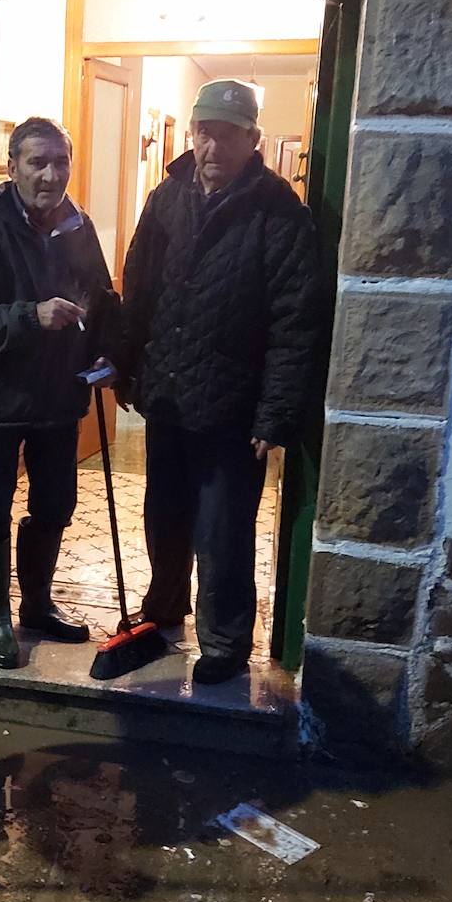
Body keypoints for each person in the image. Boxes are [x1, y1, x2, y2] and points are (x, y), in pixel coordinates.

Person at [119, 80, 319, 685]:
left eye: (228, 134)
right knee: (164, 511)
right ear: (193, 133)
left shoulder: (279, 211)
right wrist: (129, 367)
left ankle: (226, 639)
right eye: (205, 131)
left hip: (234, 407)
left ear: (253, 140)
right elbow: (140, 287)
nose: (213, 145)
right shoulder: (168, 195)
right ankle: (165, 604)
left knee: (224, 526)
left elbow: (297, 320)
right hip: (169, 393)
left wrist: (275, 413)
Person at [0, 116, 117, 669]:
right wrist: (30, 317)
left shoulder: (78, 225)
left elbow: (100, 298)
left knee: (56, 506)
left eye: (60, 162)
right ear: (12, 166)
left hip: (60, 399)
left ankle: (37, 605)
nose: (50, 174)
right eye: (37, 162)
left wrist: (108, 352)